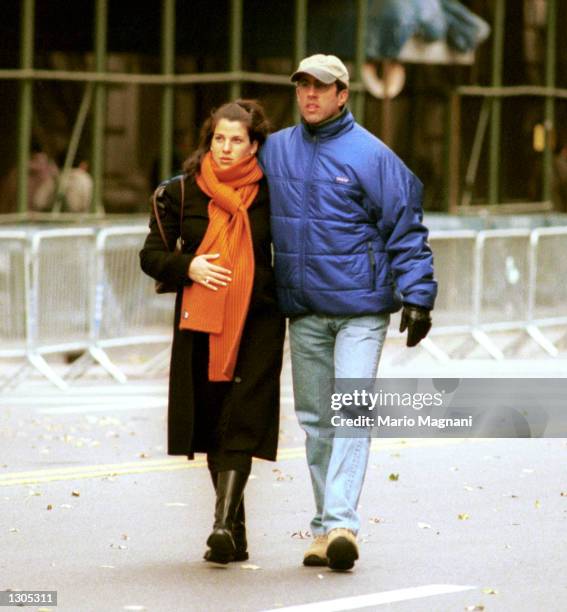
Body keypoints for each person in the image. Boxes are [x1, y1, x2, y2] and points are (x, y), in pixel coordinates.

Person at [259, 54, 437, 571]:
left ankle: (341, 523)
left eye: (322, 87)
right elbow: (226, 178)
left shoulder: (373, 156)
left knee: (351, 413)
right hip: (306, 311)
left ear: (343, 94)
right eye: (303, 87)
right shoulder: (276, 151)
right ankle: (324, 530)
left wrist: (418, 296)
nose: (310, 96)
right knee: (317, 423)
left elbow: (406, 228)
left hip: (360, 311)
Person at [140, 100, 285, 564]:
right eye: (219, 139)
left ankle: (221, 525)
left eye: (237, 140)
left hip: (258, 319)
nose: (226, 149)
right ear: (209, 140)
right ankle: (235, 532)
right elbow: (150, 256)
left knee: (240, 420)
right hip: (201, 322)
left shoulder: (273, 194)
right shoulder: (183, 193)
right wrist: (191, 266)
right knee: (213, 420)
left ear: (254, 146)